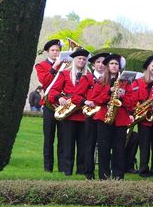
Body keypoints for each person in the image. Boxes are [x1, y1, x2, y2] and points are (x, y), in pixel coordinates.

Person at [87, 54, 136, 180]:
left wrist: (123, 96)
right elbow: (95, 100)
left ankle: (118, 176)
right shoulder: (101, 81)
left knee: (119, 148)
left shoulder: (126, 82)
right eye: (112, 64)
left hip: (120, 119)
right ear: (108, 66)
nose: (114, 66)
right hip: (104, 118)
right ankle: (104, 176)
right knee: (104, 148)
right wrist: (109, 91)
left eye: (116, 64)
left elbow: (131, 102)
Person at [47, 48, 92, 176]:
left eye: (84, 59)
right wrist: (59, 98)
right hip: (68, 114)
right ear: (74, 60)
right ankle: (67, 169)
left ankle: (81, 170)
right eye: (79, 59)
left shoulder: (89, 76)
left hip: (82, 114)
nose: (82, 61)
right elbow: (53, 91)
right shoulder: (65, 74)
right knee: (67, 144)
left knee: (83, 144)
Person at [35, 39, 65, 172]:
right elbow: (45, 81)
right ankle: (48, 168)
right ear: (48, 52)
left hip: (63, 105)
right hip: (48, 105)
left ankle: (63, 167)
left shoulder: (66, 65)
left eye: (57, 50)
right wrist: (55, 67)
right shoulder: (40, 65)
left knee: (63, 138)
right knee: (49, 138)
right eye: (52, 50)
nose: (55, 53)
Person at [133, 55, 153, 178]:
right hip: (144, 118)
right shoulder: (139, 82)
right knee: (144, 146)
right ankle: (143, 170)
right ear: (147, 67)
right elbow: (134, 99)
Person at [83, 52, 108, 180]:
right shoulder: (87, 78)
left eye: (103, 63)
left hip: (104, 114)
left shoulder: (111, 79)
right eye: (97, 62)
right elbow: (77, 95)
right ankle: (89, 172)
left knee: (104, 144)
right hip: (91, 114)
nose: (100, 65)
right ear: (93, 65)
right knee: (90, 143)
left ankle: (104, 173)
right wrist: (85, 101)